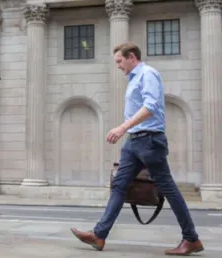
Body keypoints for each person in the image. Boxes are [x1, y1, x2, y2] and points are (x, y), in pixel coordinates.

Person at [70, 42, 204, 256]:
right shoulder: (133, 79)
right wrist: (127, 132)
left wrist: (122, 127)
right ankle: (99, 235)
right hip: (134, 142)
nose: (118, 66)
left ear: (131, 57)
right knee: (119, 186)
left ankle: (191, 238)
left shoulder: (148, 74)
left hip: (150, 140)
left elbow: (150, 107)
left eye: (119, 61)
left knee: (167, 188)